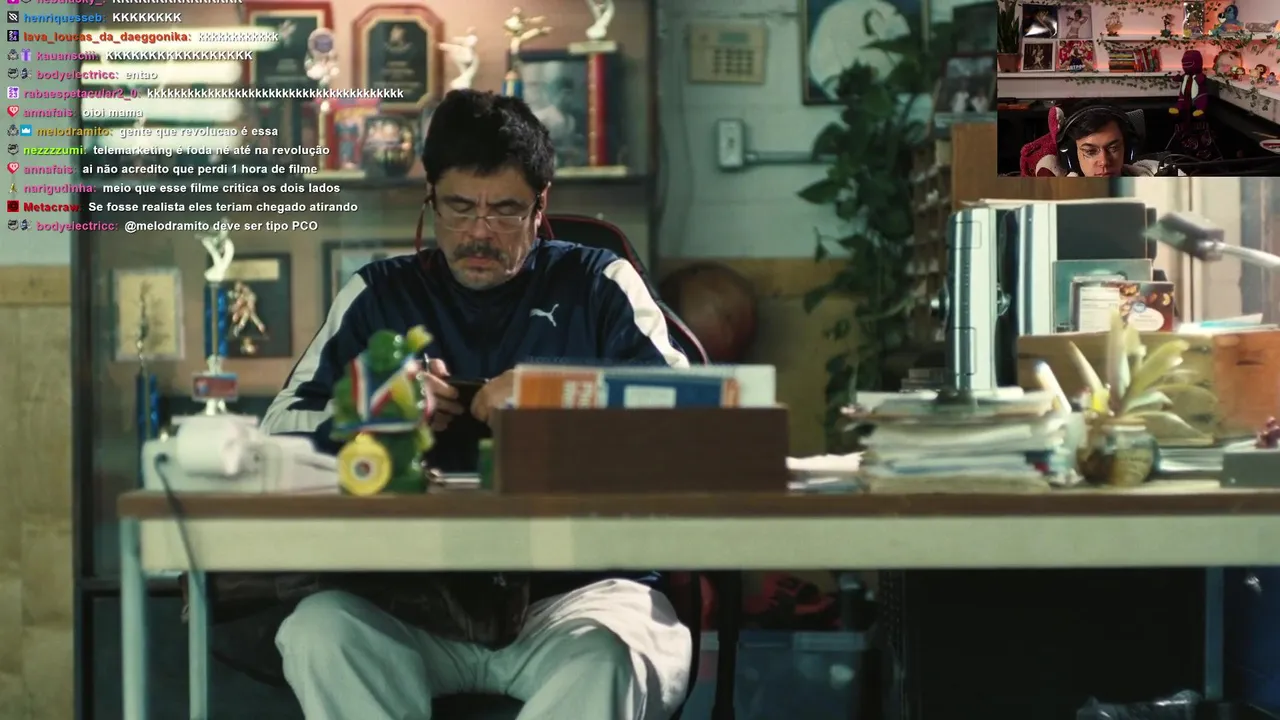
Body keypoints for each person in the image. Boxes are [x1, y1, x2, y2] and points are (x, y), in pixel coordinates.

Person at [251, 89, 693, 719]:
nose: (479, 232)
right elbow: (274, 438)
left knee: (605, 658)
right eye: (459, 207)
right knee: (321, 632)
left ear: (541, 206)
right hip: (409, 597)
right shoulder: (378, 294)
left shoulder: (600, 283)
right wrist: (376, 410)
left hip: (581, 593)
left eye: (506, 210)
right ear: (430, 199)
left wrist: (551, 395)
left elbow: (692, 421)